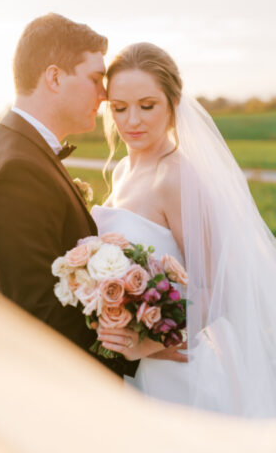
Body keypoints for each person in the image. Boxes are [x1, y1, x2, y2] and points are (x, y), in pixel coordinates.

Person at [92, 42, 276, 417]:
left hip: (175, 373)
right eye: (119, 108)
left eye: (147, 105)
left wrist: (150, 345)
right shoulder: (123, 170)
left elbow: (217, 287)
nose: (132, 121)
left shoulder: (175, 176)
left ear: (173, 104)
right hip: (132, 368)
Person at [0, 13, 138, 378]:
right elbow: (41, 323)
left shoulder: (18, 150)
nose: (105, 95)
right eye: (95, 79)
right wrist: (138, 353)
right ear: (54, 77)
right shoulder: (15, 172)